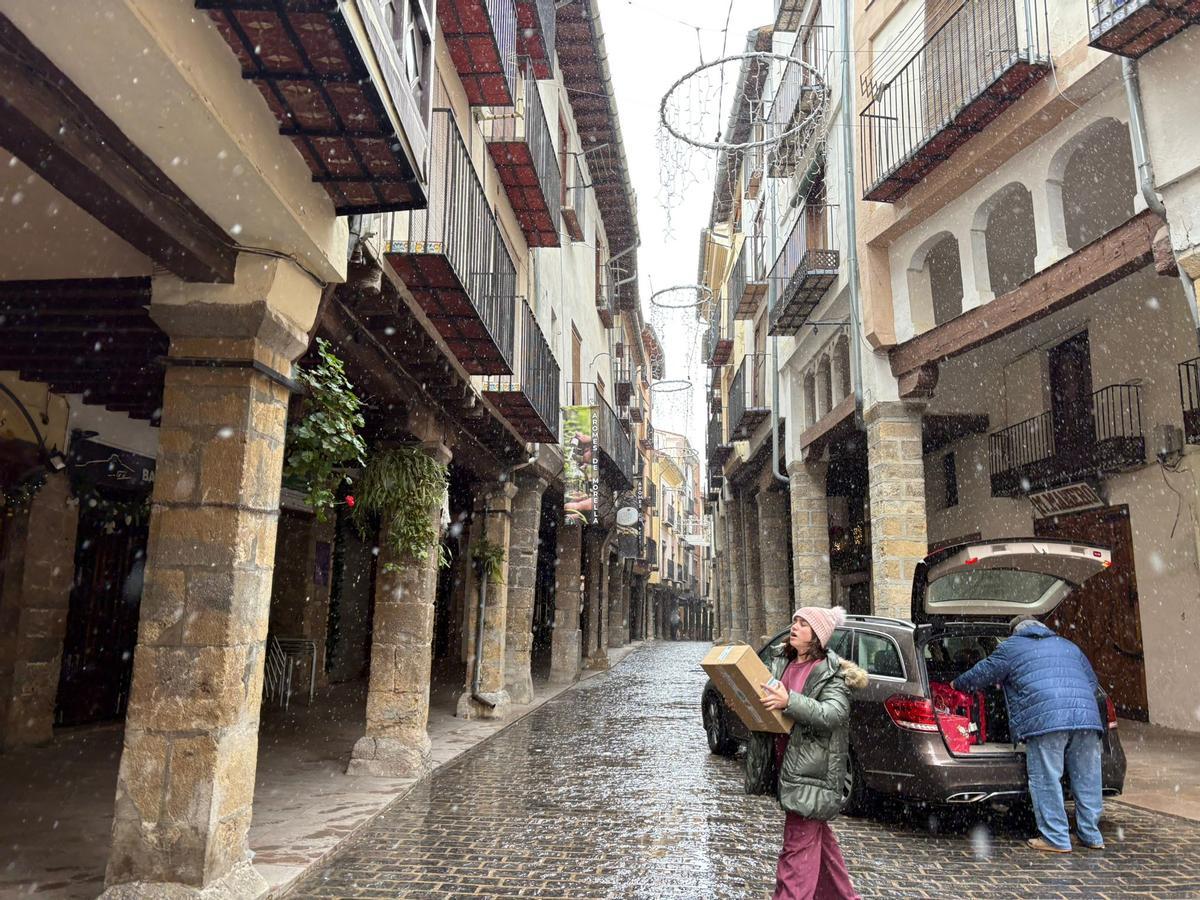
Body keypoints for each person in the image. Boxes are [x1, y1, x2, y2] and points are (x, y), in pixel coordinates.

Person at [953, 614, 1106, 853]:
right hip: (1086, 718)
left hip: (1047, 719)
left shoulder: (1012, 647)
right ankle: (1091, 836)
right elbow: (1091, 682)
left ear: (1015, 631)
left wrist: (956, 685)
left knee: (1047, 778)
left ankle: (1056, 838)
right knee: (1087, 778)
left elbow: (982, 673)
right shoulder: (1068, 645)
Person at [747, 606, 867, 900]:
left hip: (812, 773)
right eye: (794, 621)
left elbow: (833, 713)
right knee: (820, 846)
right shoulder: (783, 663)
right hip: (788, 766)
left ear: (817, 636)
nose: (795, 626)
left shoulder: (829, 674)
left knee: (795, 853)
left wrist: (790, 701)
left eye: (803, 623)